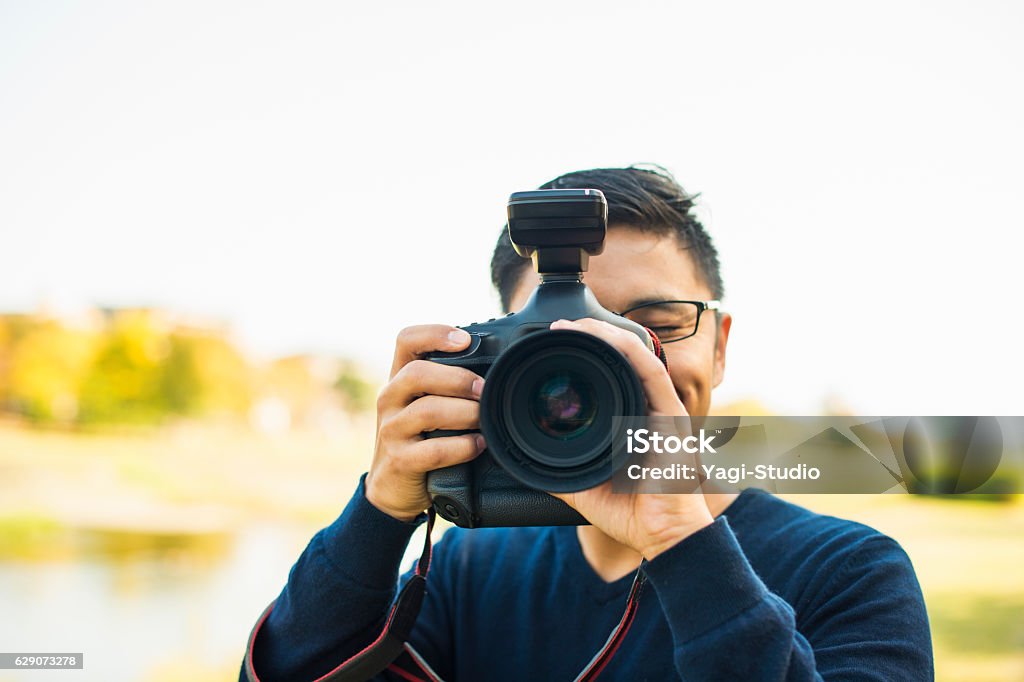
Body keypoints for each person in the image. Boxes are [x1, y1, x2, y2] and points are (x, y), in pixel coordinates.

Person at [239, 167, 933, 681]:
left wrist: (678, 538)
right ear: (493, 365)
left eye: (656, 327)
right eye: (565, 345)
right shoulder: (464, 569)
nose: (624, 366)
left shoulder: (850, 573)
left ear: (720, 347)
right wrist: (380, 511)